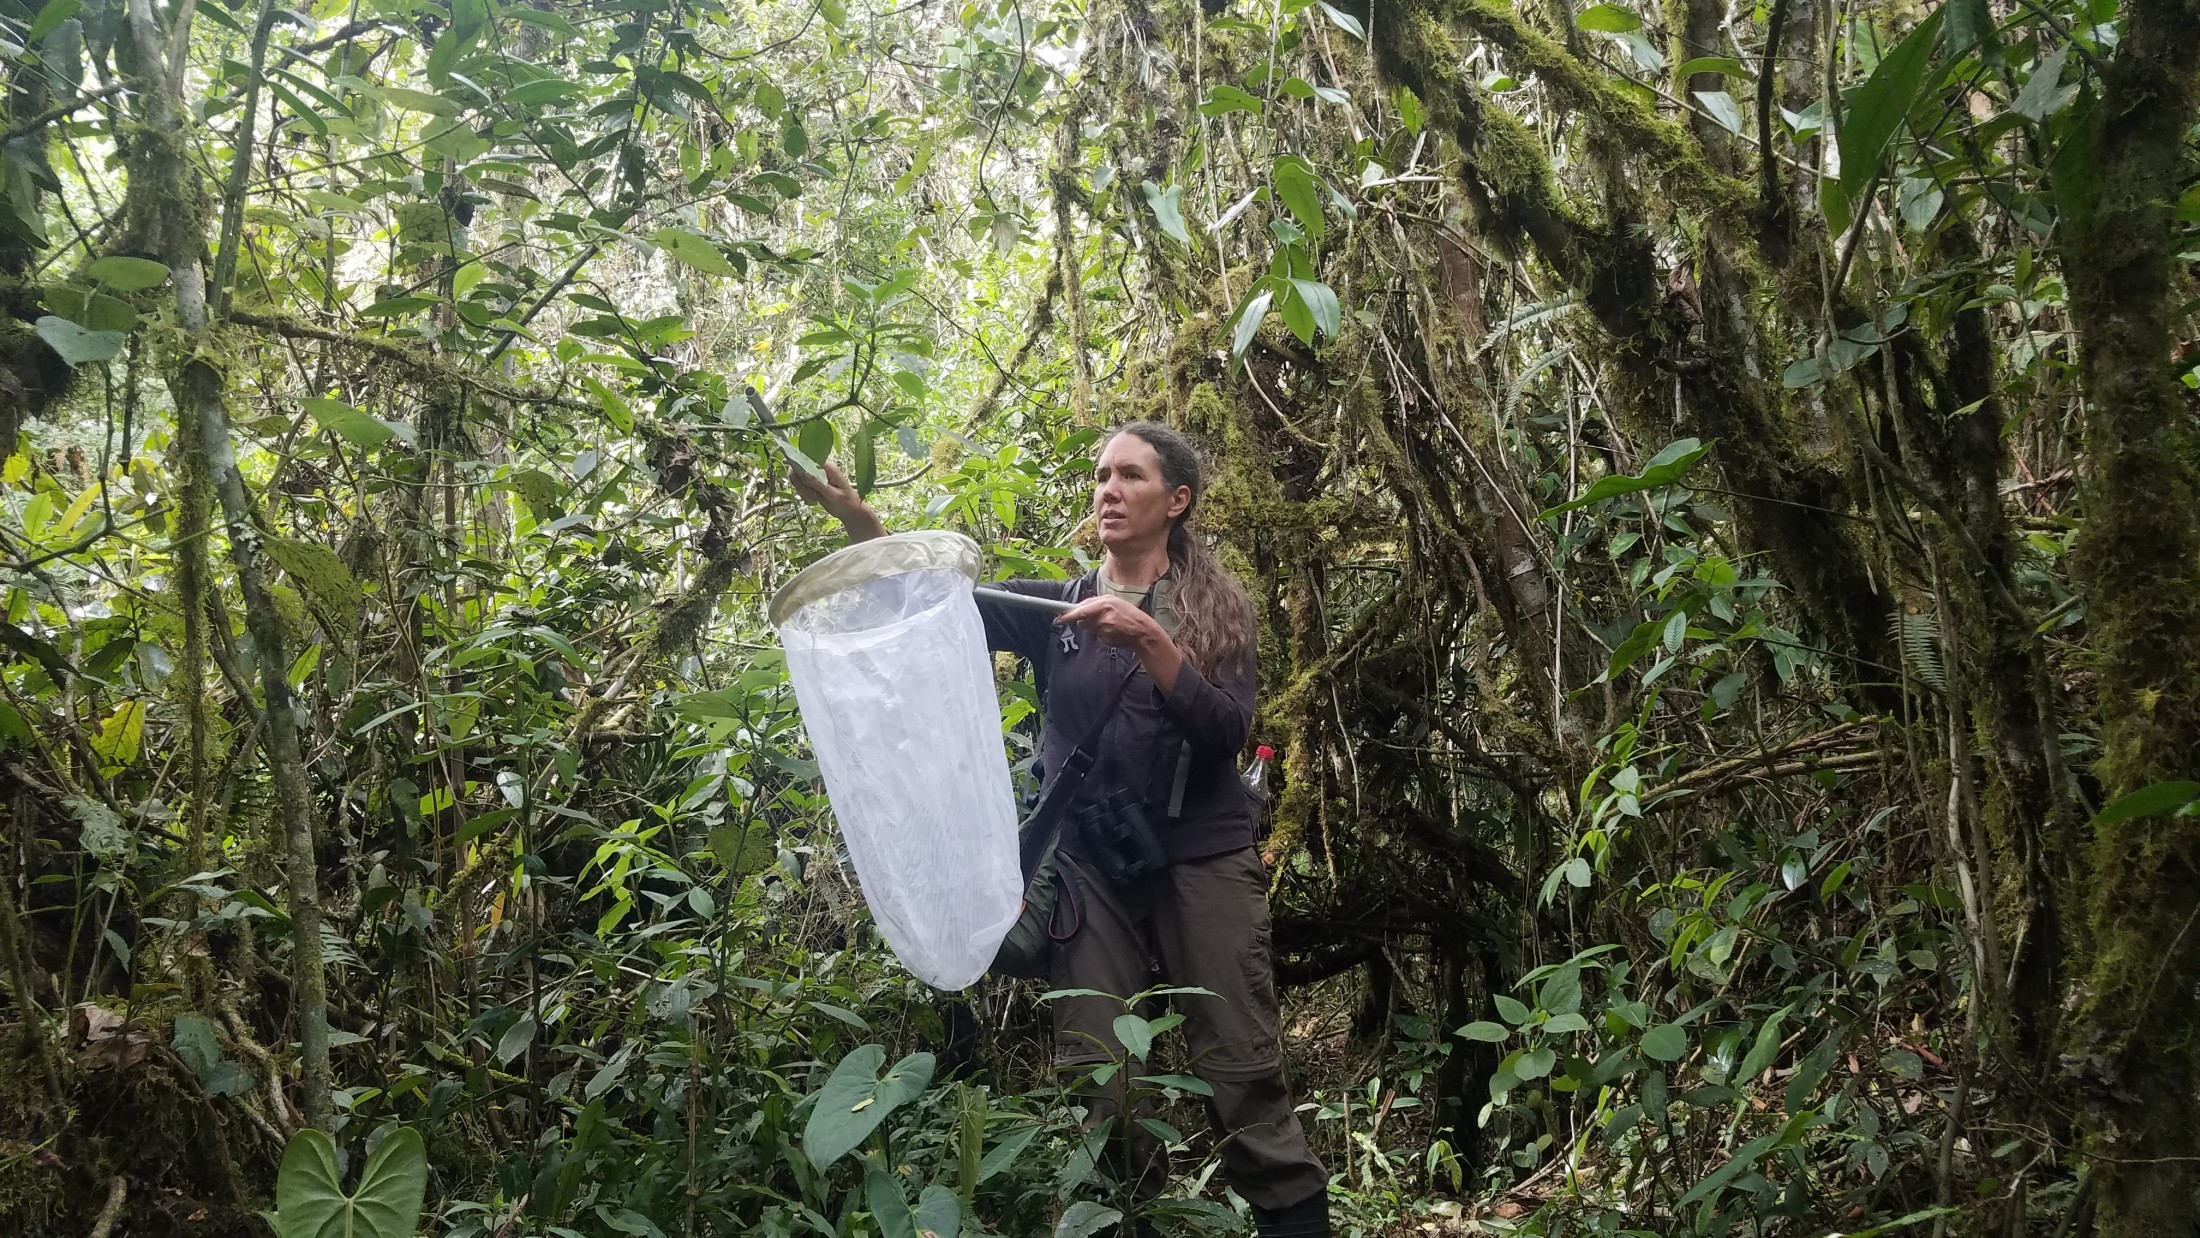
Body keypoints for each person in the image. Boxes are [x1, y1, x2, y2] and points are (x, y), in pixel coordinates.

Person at [791, 421, 1330, 1238]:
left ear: (1175, 501)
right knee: (1098, 1086)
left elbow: (1226, 733)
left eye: (1130, 477)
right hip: (1090, 868)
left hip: (1204, 858)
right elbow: (940, 609)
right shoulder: (1056, 606)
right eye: (1102, 475)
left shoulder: (1215, 611)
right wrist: (861, 524)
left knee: (1241, 1070)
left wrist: (1152, 641)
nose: (1108, 490)